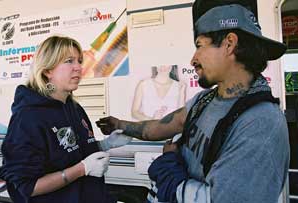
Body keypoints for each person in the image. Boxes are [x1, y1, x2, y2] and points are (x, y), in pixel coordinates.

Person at [96, 4, 290, 203]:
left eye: (199, 45)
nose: (193, 60)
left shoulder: (261, 124)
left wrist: (170, 165)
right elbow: (157, 128)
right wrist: (120, 125)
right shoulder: (204, 100)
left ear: (229, 44)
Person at [0, 35, 131, 203]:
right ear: (47, 70)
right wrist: (82, 169)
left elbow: (72, 152)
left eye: (79, 61)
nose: (78, 68)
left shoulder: (74, 108)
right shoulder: (28, 118)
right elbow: (26, 187)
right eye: (69, 61)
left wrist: (105, 144)